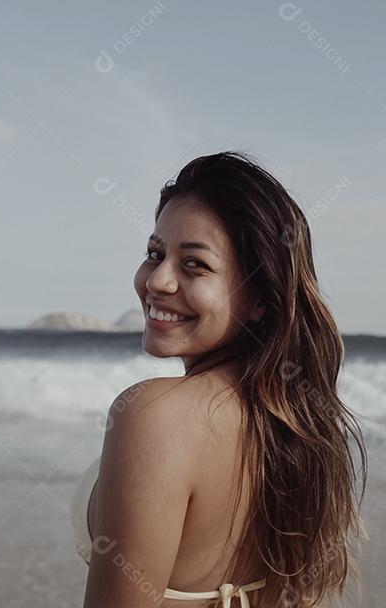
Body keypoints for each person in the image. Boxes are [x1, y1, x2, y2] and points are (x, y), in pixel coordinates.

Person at [72, 151, 368, 607]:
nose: (158, 281)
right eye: (155, 254)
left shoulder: (154, 416)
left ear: (258, 298)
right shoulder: (293, 426)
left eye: (194, 265)